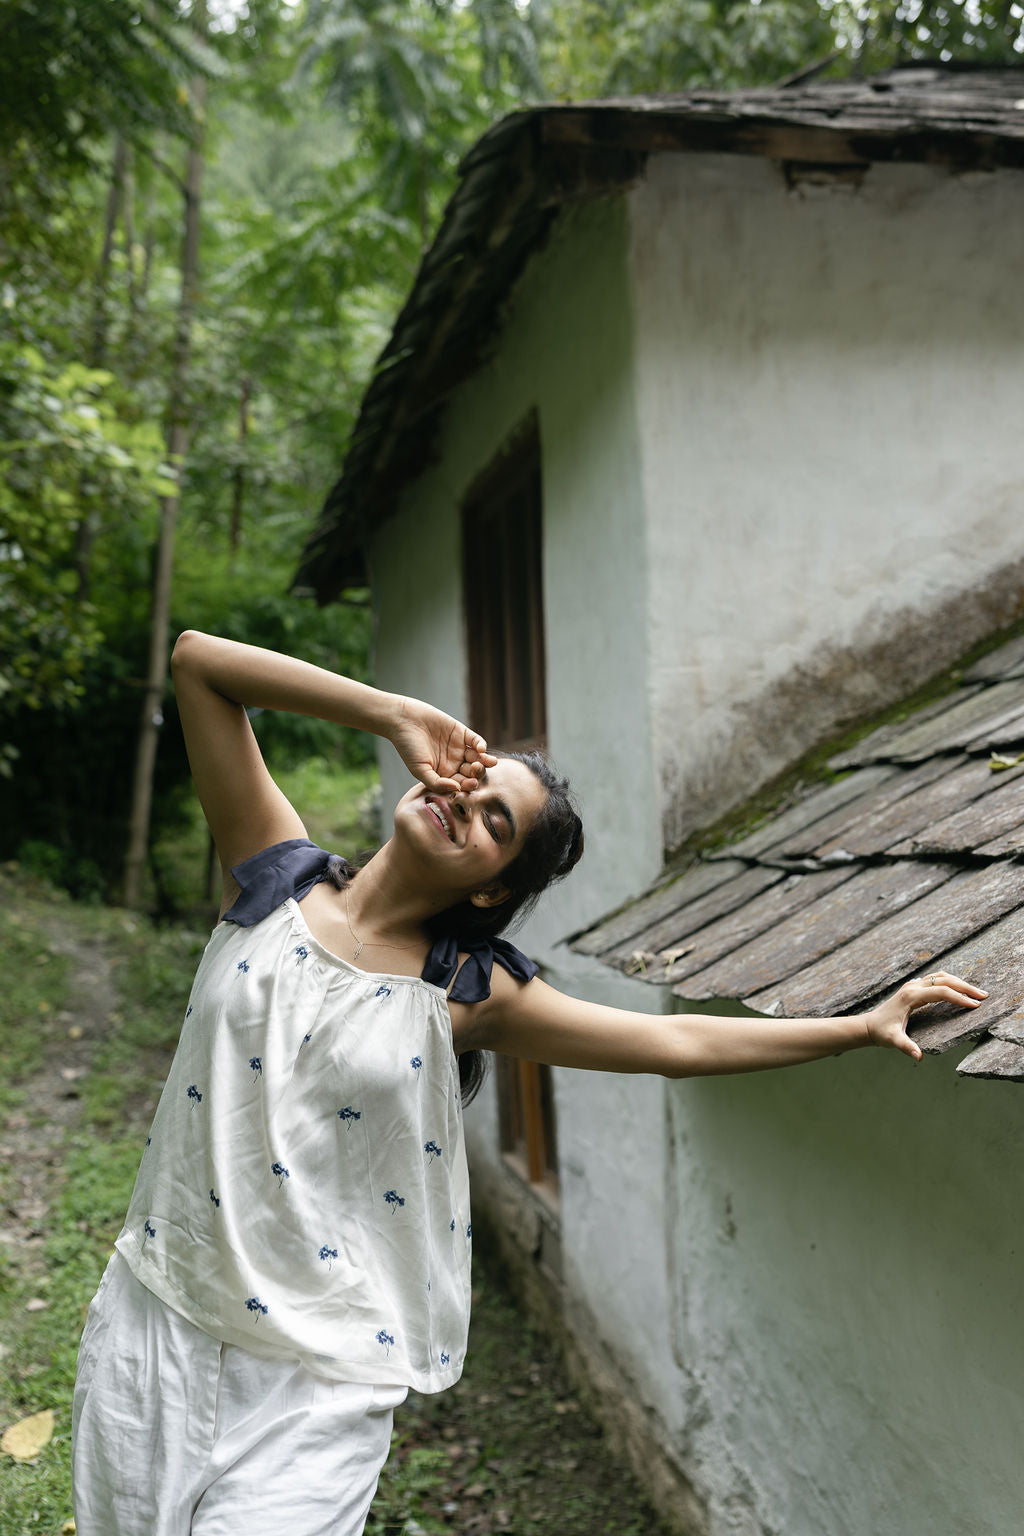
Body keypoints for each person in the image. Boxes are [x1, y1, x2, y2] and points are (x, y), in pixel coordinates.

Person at [71, 630, 986, 1536]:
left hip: (321, 1372)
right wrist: (392, 712)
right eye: (473, 783)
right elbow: (197, 662)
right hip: (160, 1313)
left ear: (487, 890)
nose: (465, 804)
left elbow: (680, 1045)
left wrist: (857, 1028)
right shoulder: (273, 874)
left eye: (495, 821)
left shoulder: (467, 992)